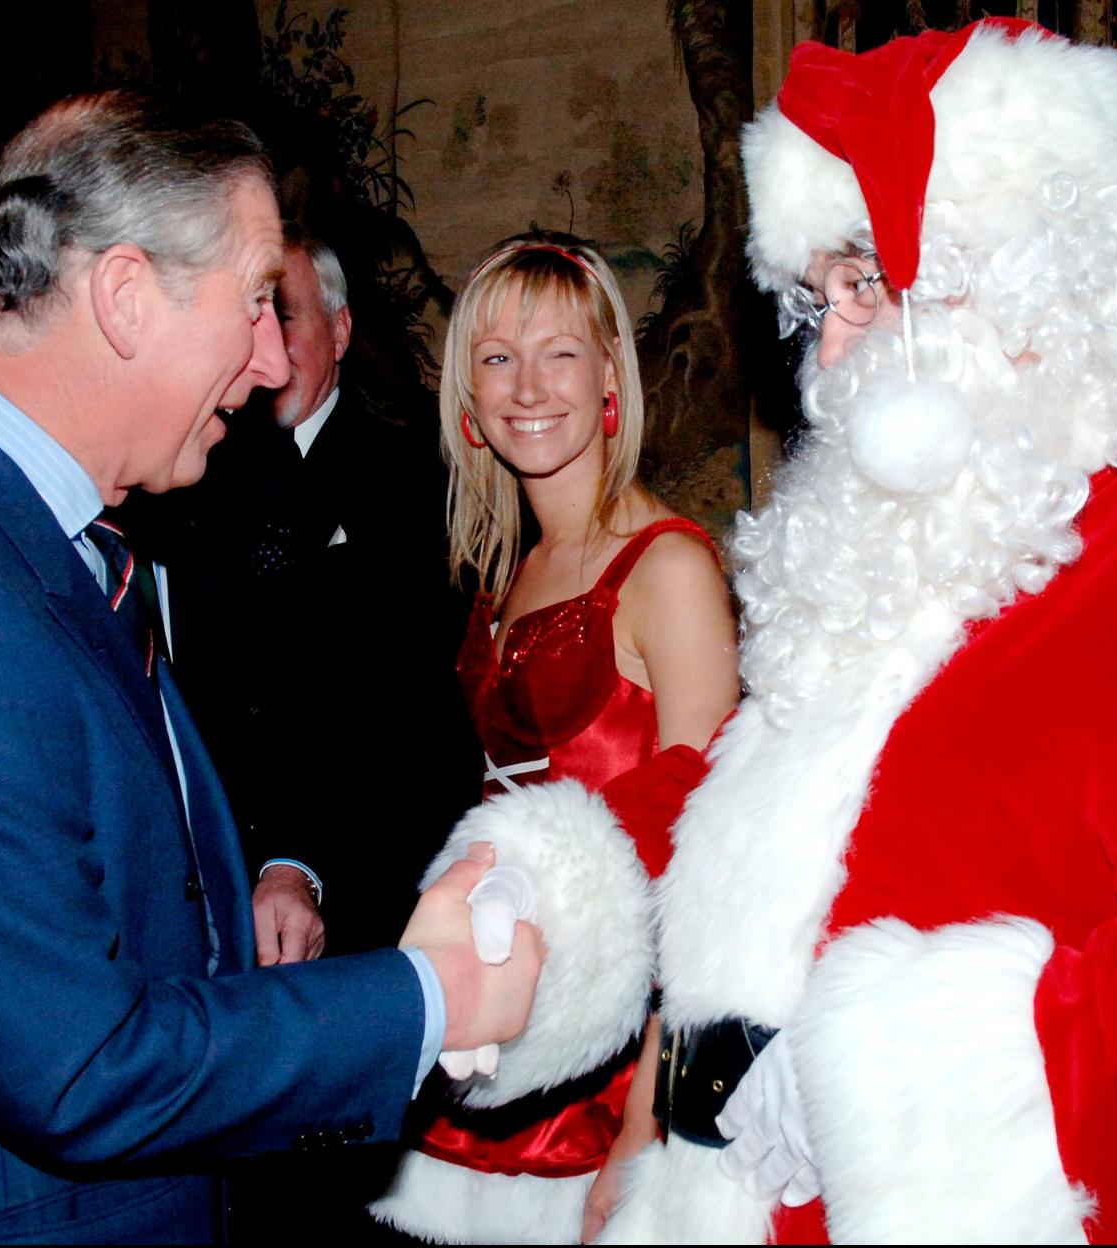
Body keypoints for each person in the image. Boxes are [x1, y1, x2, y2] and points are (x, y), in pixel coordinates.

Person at [0, 89, 541, 1246]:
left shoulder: (37, 538)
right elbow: (79, 1066)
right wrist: (429, 996)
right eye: (253, 301)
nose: (269, 357)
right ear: (127, 296)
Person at [547, 18, 1117, 1244]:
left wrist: (895, 1087)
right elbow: (786, 798)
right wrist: (559, 883)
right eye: (816, 299)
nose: (829, 353)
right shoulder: (900, 540)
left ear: (1025, 270)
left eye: (865, 282)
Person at [369, 236, 740, 1243]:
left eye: (560, 353)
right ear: (468, 399)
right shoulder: (503, 581)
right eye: (497, 357)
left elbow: (710, 875)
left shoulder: (667, 569)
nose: (529, 385)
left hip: (620, 1076)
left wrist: (646, 1128)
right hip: (508, 1036)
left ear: (610, 376)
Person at [129, 224, 479, 965]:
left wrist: (300, 861)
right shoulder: (192, 470)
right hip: (212, 889)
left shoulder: (418, 474)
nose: (265, 342)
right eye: (248, 317)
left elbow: (396, 701)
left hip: (369, 892)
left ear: (341, 328)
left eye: (284, 314)